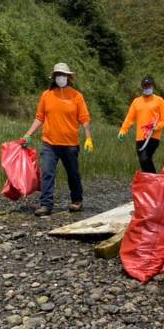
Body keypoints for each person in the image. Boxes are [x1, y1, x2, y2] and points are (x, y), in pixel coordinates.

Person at [23, 63, 94, 216]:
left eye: (63, 75)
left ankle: (77, 201)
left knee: (73, 173)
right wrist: (28, 134)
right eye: (58, 75)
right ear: (54, 77)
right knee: (47, 173)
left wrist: (88, 138)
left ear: (68, 77)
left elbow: (85, 119)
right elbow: (39, 117)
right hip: (49, 143)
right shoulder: (46, 95)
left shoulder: (77, 96)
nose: (61, 77)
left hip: (70, 144)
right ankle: (46, 205)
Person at [118, 76, 164, 173]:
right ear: (142, 87)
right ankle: (150, 182)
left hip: (153, 136)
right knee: (142, 161)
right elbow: (129, 118)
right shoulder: (136, 101)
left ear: (153, 86)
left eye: (149, 85)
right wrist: (123, 130)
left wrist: (156, 127)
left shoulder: (159, 101)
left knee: (145, 158)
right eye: (145, 86)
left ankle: (155, 180)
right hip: (140, 137)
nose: (147, 88)